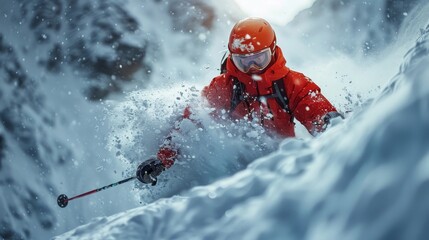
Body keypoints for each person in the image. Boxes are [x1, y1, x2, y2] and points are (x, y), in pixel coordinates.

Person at [136, 17, 340, 185]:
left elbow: (315, 109)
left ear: (273, 50)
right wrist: (162, 159)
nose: (251, 68)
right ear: (232, 58)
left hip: (283, 169)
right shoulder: (223, 87)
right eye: (243, 62)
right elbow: (191, 122)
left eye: (258, 59)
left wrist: (329, 122)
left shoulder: (292, 83)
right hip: (235, 178)